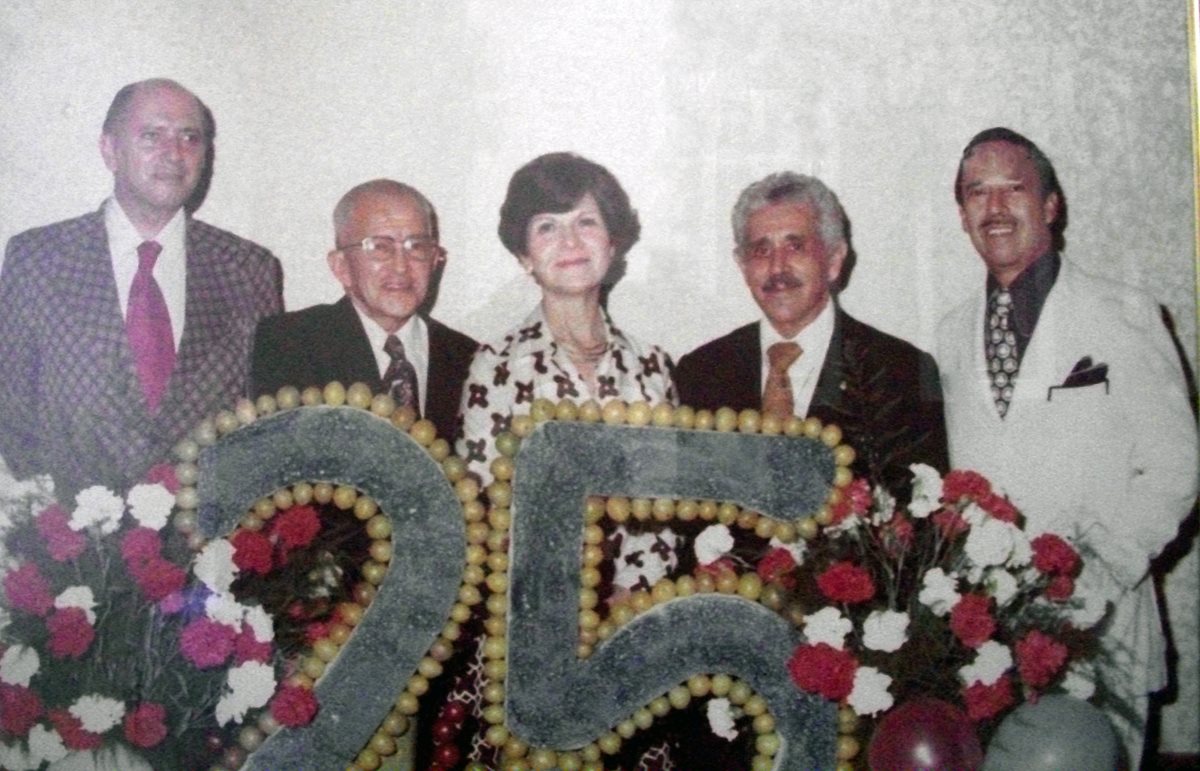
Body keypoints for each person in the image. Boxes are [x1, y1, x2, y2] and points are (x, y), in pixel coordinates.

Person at [936, 126, 1198, 767]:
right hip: (988, 649)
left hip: (1102, 636)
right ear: (962, 213)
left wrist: (1097, 571)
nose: (994, 208)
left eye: (1013, 189)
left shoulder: (1126, 312)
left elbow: (1175, 466)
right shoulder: (947, 334)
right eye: (977, 192)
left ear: (1051, 205)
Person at [447, 152, 679, 769]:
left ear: (615, 242)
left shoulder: (653, 366)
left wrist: (632, 616)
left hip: (633, 644)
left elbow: (664, 515)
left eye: (586, 221)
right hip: (526, 648)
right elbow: (487, 518)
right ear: (525, 255)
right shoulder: (495, 365)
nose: (570, 240)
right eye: (548, 226)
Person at [0, 78, 282, 498]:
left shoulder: (249, 269)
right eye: (152, 135)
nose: (174, 152)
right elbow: (11, 412)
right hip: (70, 548)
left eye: (190, 137)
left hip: (208, 544)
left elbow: (267, 424)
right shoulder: (38, 260)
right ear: (109, 150)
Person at [676, 171, 948, 494]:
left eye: (795, 247)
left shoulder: (903, 374)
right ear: (742, 266)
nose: (777, 268)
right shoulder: (700, 374)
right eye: (761, 250)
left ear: (833, 260)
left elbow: (919, 527)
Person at [250, 179, 476, 441]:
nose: (402, 266)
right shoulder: (290, 344)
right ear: (341, 266)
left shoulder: (469, 358)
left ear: (435, 261)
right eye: (380, 247)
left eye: (417, 247)